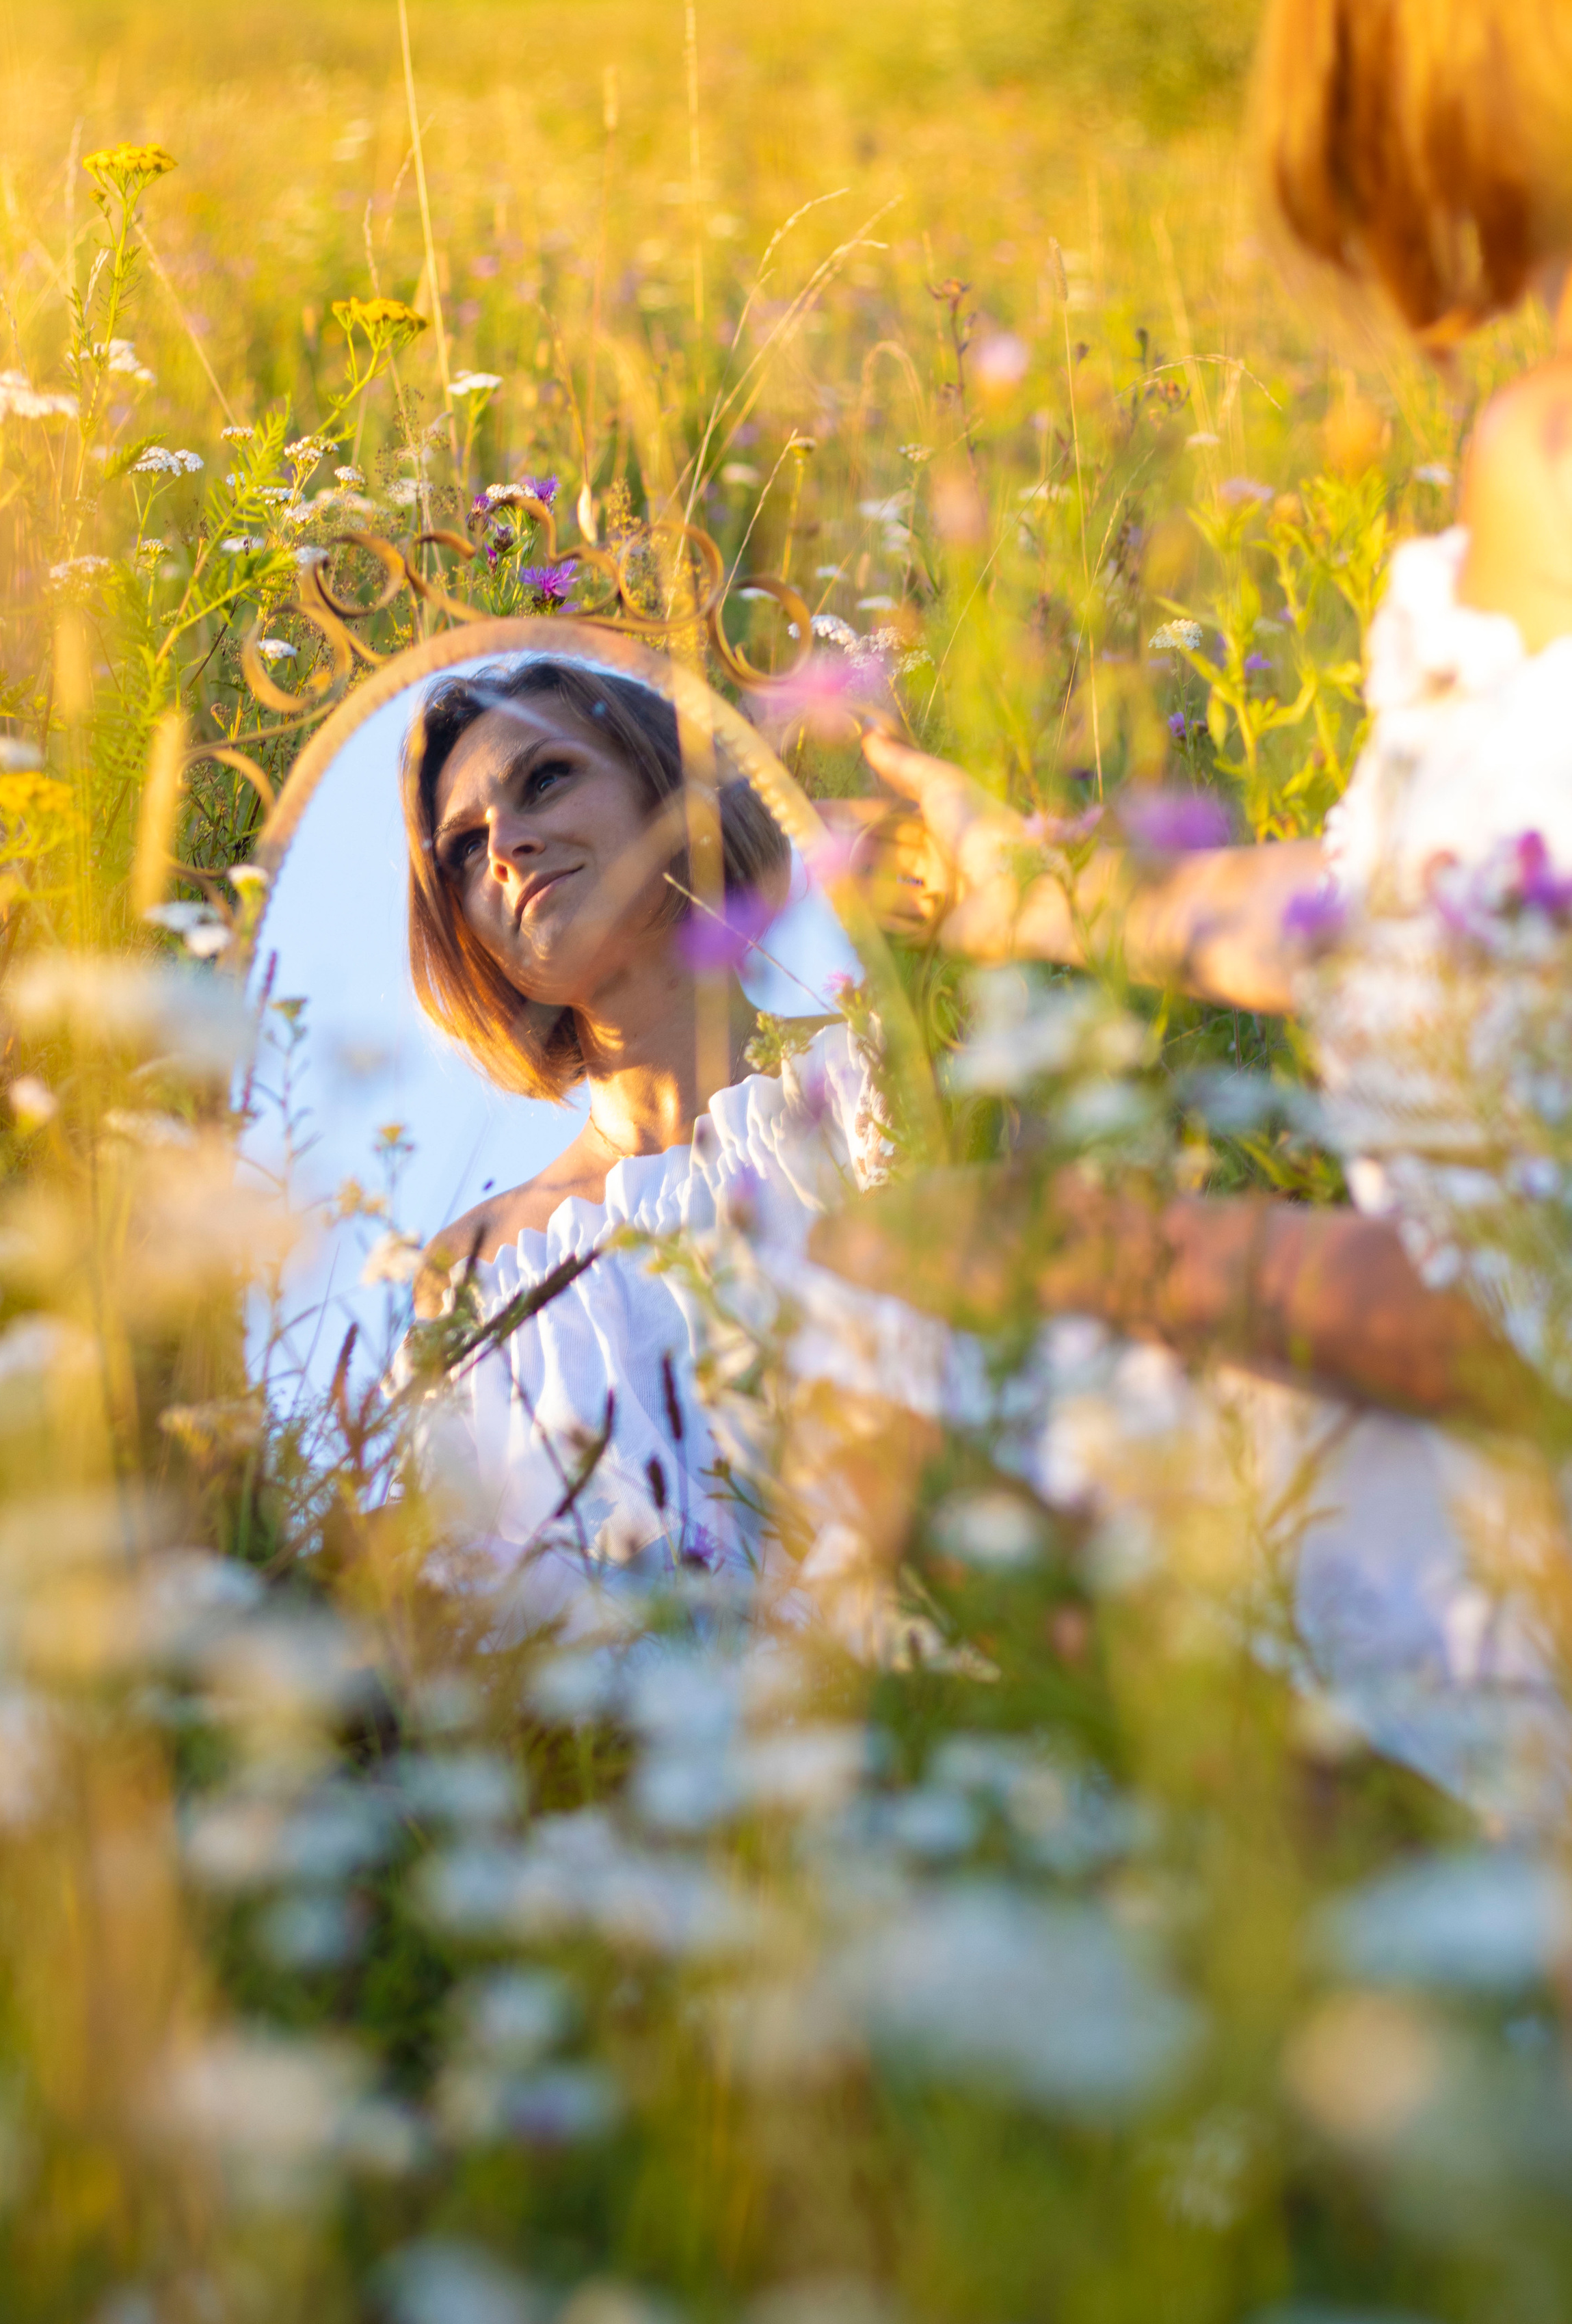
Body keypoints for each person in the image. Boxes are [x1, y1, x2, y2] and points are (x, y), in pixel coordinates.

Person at [815, 0, 1572, 1819]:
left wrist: (1097, 1246)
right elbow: (1459, 909)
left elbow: (1528, 1316)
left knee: (905, 1353)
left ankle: (1365, 2026)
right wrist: (1052, 890)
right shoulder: (1536, 465)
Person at [399, 657, 974, 1635]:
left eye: (544, 779)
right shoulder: (472, 1271)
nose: (507, 846)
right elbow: (456, 1624)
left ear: (667, 788)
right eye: (462, 847)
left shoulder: (877, 1082)